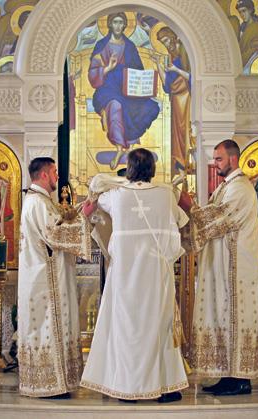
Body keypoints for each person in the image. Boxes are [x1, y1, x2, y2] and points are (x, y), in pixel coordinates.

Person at [80, 148, 189, 403]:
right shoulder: (165, 194)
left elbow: (94, 193)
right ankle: (165, 387)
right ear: (152, 169)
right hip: (156, 272)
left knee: (126, 328)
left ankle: (127, 388)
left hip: (124, 274)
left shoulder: (116, 196)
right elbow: (181, 222)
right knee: (159, 326)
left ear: (129, 169)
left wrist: (120, 182)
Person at [179, 140, 258, 396]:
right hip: (224, 267)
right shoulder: (225, 187)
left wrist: (189, 206)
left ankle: (241, 379)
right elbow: (210, 218)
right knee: (223, 318)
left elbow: (218, 220)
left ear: (233, 158)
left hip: (237, 270)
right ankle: (226, 374)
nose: (215, 164)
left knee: (236, 319)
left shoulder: (240, 188)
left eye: (219, 159)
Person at [17, 157, 90, 398]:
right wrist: (86, 216)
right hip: (44, 280)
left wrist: (79, 211)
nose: (57, 176)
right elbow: (55, 233)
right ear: (44, 174)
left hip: (43, 275)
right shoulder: (37, 202)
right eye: (54, 172)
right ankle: (49, 384)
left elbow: (60, 220)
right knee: (46, 326)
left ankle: (57, 382)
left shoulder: (41, 201)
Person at [88, 12, 160, 169]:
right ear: (109, 24)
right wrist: (108, 68)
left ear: (125, 25)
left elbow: (139, 71)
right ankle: (119, 148)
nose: (118, 26)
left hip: (128, 89)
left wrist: (145, 88)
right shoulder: (102, 45)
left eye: (121, 22)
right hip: (107, 89)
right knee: (116, 105)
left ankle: (132, 145)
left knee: (150, 106)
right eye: (115, 22)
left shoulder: (130, 46)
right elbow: (92, 74)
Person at [153, 26, 191, 175]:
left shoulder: (185, 52)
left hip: (186, 97)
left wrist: (176, 70)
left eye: (167, 40)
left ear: (173, 37)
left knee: (184, 130)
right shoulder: (171, 57)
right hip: (176, 97)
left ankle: (186, 166)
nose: (166, 44)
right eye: (163, 42)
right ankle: (180, 166)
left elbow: (193, 78)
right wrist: (158, 64)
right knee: (177, 132)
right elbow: (168, 85)